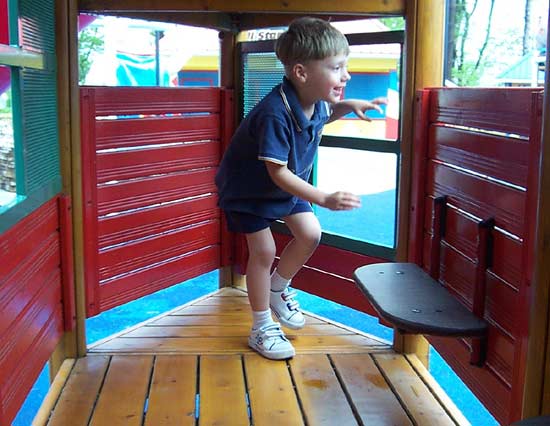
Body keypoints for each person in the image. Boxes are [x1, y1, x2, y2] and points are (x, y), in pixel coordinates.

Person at [215, 17, 386, 360]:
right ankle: (261, 326)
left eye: (345, 66)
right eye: (337, 67)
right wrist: (322, 196)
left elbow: (321, 117)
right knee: (262, 252)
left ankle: (277, 288)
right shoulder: (275, 114)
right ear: (301, 73)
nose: (346, 75)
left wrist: (346, 108)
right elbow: (277, 172)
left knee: (310, 233)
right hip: (249, 191)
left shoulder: (315, 101)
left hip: (282, 186)